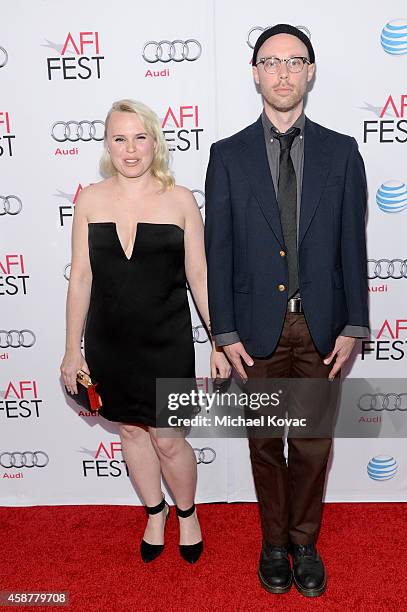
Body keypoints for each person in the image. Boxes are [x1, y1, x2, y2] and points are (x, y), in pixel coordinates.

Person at [205, 24, 368, 596]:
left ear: (310, 72)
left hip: (321, 328)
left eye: (294, 61)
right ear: (255, 74)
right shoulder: (225, 157)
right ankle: (273, 542)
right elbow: (216, 250)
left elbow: (354, 243)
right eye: (270, 62)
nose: (282, 72)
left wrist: (354, 324)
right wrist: (222, 330)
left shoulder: (342, 151)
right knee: (263, 444)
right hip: (253, 333)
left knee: (313, 445)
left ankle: (304, 542)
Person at [61, 99, 230, 564]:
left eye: (140, 137)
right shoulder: (90, 199)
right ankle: (155, 513)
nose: (130, 149)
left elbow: (200, 275)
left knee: (169, 438)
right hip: (109, 343)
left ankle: (188, 513)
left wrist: (218, 339)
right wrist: (72, 351)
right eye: (119, 138)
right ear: (107, 144)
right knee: (132, 435)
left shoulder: (179, 200)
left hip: (167, 342)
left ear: (155, 141)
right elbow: (80, 278)